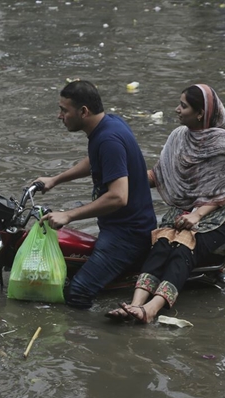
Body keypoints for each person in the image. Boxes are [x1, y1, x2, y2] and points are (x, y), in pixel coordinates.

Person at [108, 85, 225, 324]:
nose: (177, 110)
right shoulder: (178, 137)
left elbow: (222, 191)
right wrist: (125, 183)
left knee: (184, 246)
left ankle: (151, 310)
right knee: (162, 241)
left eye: (183, 105)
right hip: (187, 206)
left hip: (220, 210)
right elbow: (159, 174)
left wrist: (196, 215)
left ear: (200, 113)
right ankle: (134, 304)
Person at [35, 80, 157, 309]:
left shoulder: (108, 138)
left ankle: (90, 340)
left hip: (127, 236)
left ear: (83, 111)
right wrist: (55, 180)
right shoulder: (108, 125)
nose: (59, 116)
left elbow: (118, 196)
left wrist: (69, 215)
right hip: (122, 228)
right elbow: (95, 160)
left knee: (77, 292)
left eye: (64, 110)